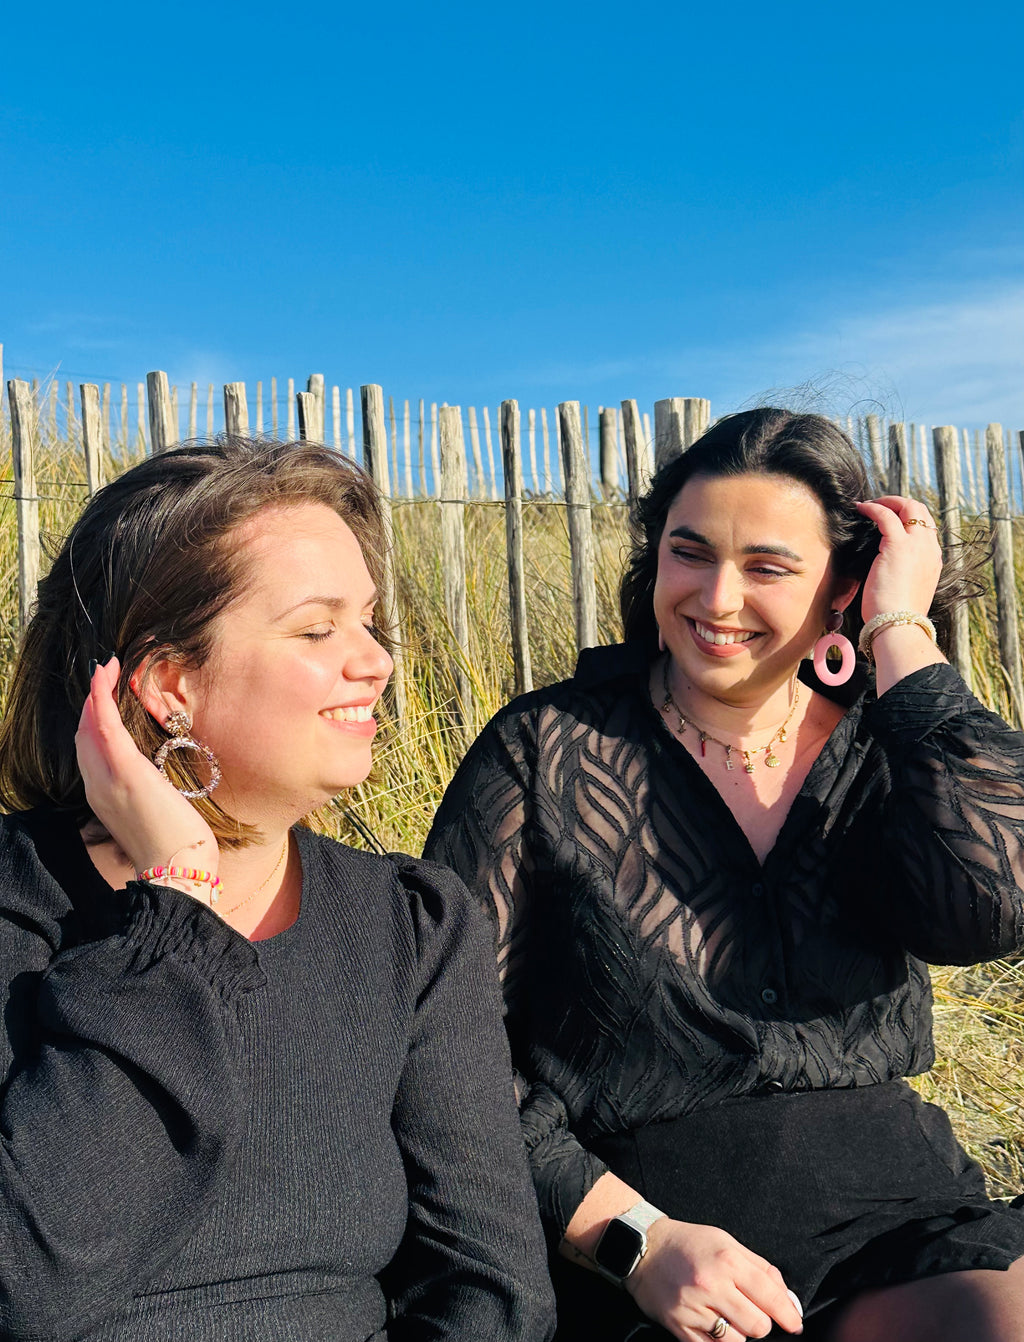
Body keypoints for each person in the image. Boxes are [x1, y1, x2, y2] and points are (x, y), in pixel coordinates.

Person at [424, 408, 1024, 1342]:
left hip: (900, 1219)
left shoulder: (880, 747)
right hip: (640, 1244)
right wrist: (635, 1241)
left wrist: (901, 636)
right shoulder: (542, 752)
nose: (718, 597)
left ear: (842, 589)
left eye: (770, 567)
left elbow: (998, 905)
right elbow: (447, 1054)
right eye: (690, 553)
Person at [0, 436, 555, 1342]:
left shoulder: (409, 929)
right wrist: (175, 903)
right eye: (316, 628)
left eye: (369, 622)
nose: (374, 660)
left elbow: (489, 1292)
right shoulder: (18, 908)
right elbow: (29, 1282)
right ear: (171, 685)